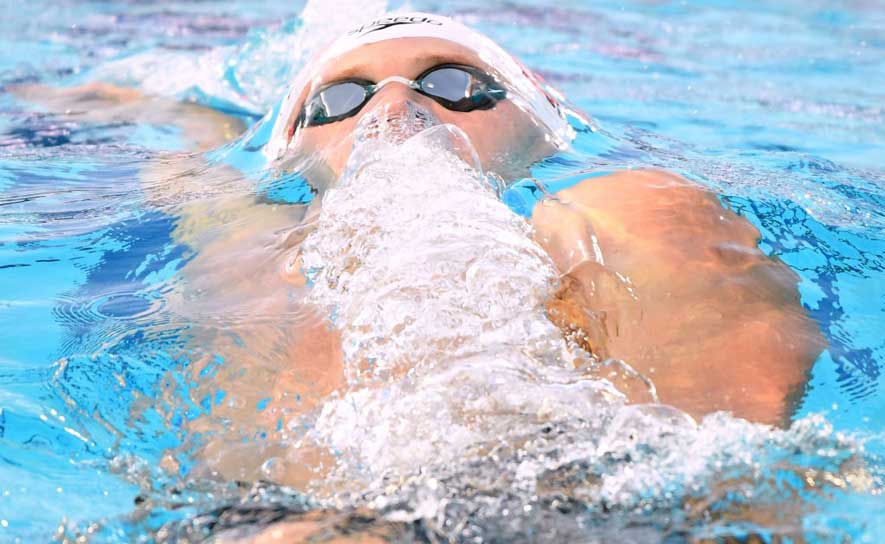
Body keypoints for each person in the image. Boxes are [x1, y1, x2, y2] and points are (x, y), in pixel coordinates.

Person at [16, 10, 823, 479]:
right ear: (292, 150)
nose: (394, 110)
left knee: (644, 206)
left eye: (452, 83)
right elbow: (196, 179)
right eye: (338, 99)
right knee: (247, 251)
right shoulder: (262, 242)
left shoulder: (622, 204)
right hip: (311, 507)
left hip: (635, 489)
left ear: (543, 118)